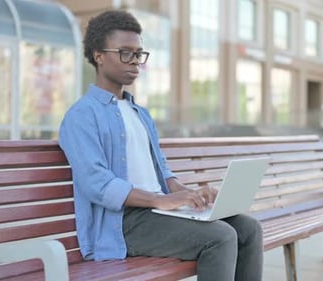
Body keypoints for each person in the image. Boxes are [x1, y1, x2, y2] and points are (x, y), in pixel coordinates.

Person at [59, 10, 263, 281]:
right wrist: (161, 200)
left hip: (158, 213)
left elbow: (162, 171)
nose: (134, 62)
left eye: (139, 54)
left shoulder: (139, 113)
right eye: (125, 53)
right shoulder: (81, 116)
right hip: (123, 223)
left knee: (249, 228)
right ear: (98, 55)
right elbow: (97, 183)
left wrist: (189, 195)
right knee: (220, 237)